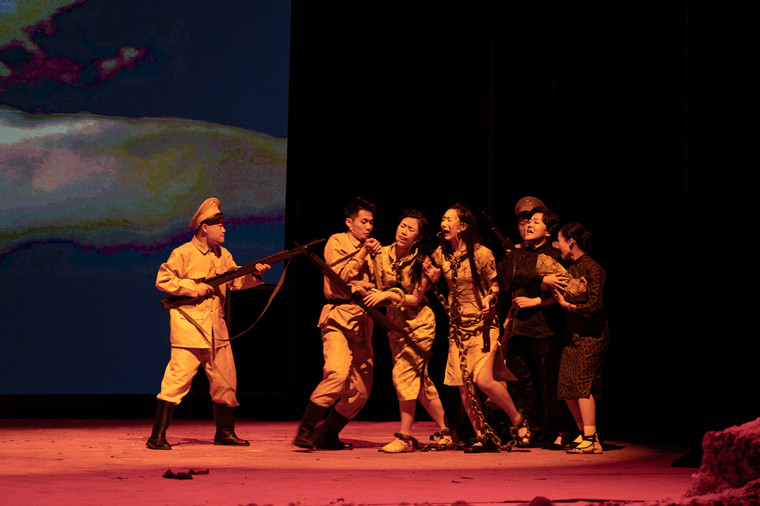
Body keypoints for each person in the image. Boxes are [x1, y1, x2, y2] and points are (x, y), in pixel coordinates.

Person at [147, 197, 271, 450]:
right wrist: (193, 288)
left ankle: (225, 433)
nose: (224, 230)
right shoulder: (183, 253)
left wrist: (255, 273)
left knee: (226, 382)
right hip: (190, 328)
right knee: (176, 382)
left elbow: (235, 281)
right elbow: (163, 280)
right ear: (204, 227)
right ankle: (157, 436)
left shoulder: (223, 255)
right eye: (219, 225)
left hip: (217, 330)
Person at [425, 203, 529, 452]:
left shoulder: (482, 254)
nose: (444, 223)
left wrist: (489, 298)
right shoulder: (441, 254)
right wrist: (432, 277)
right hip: (458, 328)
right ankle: (482, 435)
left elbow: (495, 286)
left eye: (449, 219)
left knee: (483, 379)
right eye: (443, 219)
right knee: (464, 386)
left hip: (483, 325)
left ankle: (518, 418)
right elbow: (427, 276)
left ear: (463, 226)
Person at [293, 197, 382, 450]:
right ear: (349, 222)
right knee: (337, 373)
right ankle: (305, 430)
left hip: (362, 321)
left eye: (371, 222)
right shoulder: (337, 241)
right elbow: (339, 276)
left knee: (361, 391)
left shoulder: (374, 250)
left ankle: (328, 433)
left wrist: (369, 285)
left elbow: (381, 284)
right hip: (337, 318)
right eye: (363, 222)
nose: (368, 227)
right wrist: (363, 254)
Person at [363, 210, 454, 453]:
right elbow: (376, 288)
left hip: (420, 324)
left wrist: (389, 294)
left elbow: (414, 298)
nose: (404, 231)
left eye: (410, 229)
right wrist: (365, 289)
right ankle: (447, 431)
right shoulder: (381, 253)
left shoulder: (423, 261)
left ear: (418, 238)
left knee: (403, 375)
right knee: (420, 383)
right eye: (402, 226)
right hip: (395, 327)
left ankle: (405, 437)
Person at [497, 204, 565, 445]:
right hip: (520, 327)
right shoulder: (516, 254)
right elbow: (502, 284)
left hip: (545, 327)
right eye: (527, 222)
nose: (529, 225)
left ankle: (555, 429)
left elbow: (566, 292)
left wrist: (537, 300)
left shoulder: (554, 254)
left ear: (548, 231)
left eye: (536, 222)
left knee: (547, 381)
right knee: (519, 380)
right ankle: (527, 427)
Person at [552, 222, 608, 454]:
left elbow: (594, 305)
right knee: (567, 385)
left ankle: (592, 438)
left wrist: (568, 305)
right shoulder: (570, 268)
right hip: (573, 334)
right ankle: (583, 433)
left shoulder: (593, 269)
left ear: (571, 242)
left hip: (591, 334)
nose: (558, 246)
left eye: (560, 241)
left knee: (583, 385)